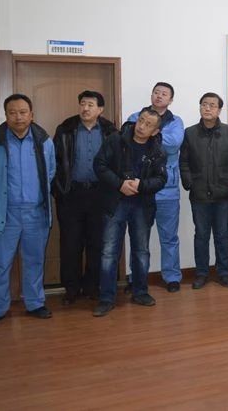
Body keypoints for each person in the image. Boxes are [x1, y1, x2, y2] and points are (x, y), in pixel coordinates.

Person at [0, 94, 56, 328]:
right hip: (5, 213)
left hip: (35, 212)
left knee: (34, 260)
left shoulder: (44, 142)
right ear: (6, 115)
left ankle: (35, 303)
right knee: (0, 262)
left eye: (23, 112)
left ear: (31, 115)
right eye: (12, 112)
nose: (18, 117)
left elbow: (50, 171)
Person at [92, 108, 167, 317]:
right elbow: (99, 165)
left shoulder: (158, 150)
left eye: (148, 124)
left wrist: (141, 185)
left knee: (141, 251)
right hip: (114, 202)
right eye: (140, 120)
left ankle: (140, 292)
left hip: (142, 205)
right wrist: (120, 184)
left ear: (155, 131)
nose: (141, 126)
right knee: (109, 252)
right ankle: (106, 298)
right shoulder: (115, 140)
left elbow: (161, 179)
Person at [52, 90, 118, 305]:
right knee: (70, 244)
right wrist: (59, 189)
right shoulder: (65, 129)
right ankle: (71, 289)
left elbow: (117, 161)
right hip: (71, 194)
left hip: (100, 194)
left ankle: (92, 287)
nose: (85, 108)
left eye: (90, 104)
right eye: (82, 103)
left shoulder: (110, 131)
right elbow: (55, 162)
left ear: (100, 109)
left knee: (97, 243)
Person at [180, 93, 228, 289]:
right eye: (204, 104)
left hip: (223, 194)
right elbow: (184, 162)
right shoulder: (190, 133)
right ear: (200, 107)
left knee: (222, 235)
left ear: (219, 110)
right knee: (201, 235)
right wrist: (189, 183)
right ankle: (201, 273)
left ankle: (223, 272)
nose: (207, 108)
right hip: (198, 194)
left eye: (212, 105)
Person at [127, 82, 184, 293]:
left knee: (169, 237)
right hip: (139, 187)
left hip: (167, 189)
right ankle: (136, 278)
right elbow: (129, 139)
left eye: (164, 94)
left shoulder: (176, 122)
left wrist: (146, 134)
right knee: (139, 238)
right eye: (156, 92)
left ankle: (172, 277)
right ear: (151, 95)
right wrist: (150, 134)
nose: (159, 96)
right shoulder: (135, 116)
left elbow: (174, 144)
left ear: (170, 100)